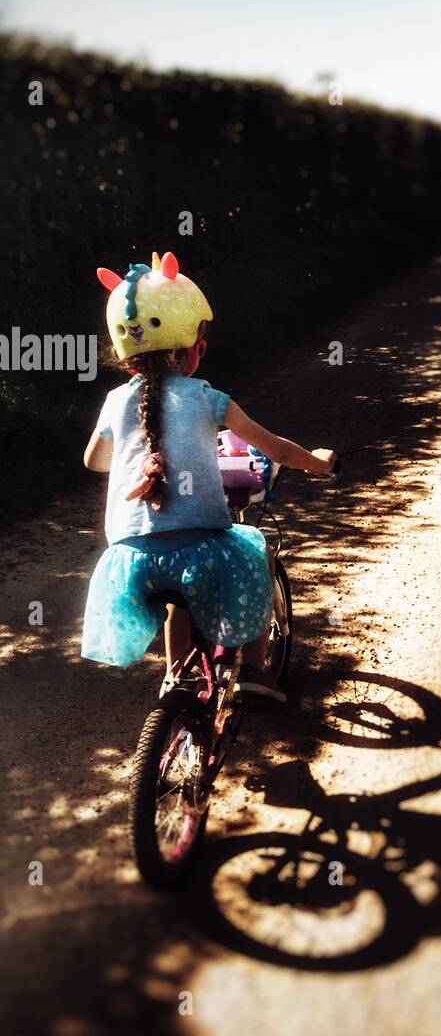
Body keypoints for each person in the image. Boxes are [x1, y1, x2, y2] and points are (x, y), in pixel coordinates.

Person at [81, 249, 334, 703]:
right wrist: (317, 461)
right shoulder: (205, 397)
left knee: (178, 590)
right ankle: (255, 668)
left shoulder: (115, 401)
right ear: (191, 347)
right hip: (199, 554)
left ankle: (173, 678)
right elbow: (273, 447)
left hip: (127, 562)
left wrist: (139, 462)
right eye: (201, 340)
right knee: (253, 548)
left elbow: (94, 462)